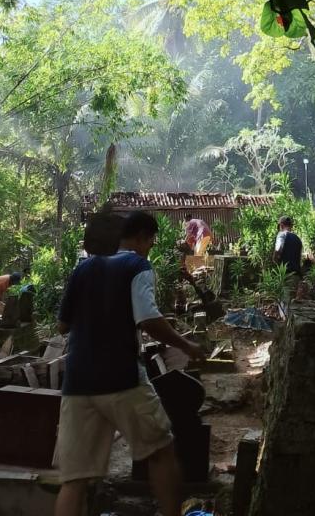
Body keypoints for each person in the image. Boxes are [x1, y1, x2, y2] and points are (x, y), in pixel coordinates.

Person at [53, 210, 204, 516]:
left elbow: (62, 326)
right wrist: (186, 345)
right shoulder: (137, 265)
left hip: (77, 382)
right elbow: (148, 319)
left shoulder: (83, 268)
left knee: (75, 479)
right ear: (142, 238)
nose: (149, 249)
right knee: (161, 451)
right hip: (120, 377)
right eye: (150, 243)